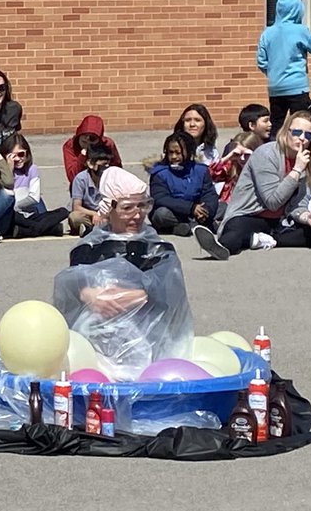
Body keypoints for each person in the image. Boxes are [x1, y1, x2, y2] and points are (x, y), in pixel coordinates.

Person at [55, 167, 193, 379]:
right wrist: (89, 295)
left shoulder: (158, 248)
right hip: (95, 340)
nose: (137, 215)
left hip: (147, 342)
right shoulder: (89, 247)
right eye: (127, 208)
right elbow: (74, 284)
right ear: (108, 208)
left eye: (143, 206)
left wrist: (131, 296)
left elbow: (168, 290)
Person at [194, 111, 311, 260]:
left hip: (281, 222)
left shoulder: (307, 160)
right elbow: (272, 202)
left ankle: (262, 240)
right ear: (286, 131)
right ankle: (222, 247)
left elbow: (299, 205)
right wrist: (296, 170)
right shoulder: (266, 154)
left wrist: (307, 217)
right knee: (236, 231)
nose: (302, 138)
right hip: (251, 215)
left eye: (308, 135)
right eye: (297, 132)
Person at [258, 0, 311, 134]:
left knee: (276, 125)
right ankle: (299, 153)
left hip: (275, 87)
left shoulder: (267, 33)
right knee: (302, 125)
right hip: (297, 87)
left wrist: (274, 72)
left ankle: (275, 152)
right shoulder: (300, 30)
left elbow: (261, 62)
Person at [148, 132, 218, 236]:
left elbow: (209, 193)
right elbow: (161, 198)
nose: (174, 156)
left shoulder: (201, 170)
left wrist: (206, 210)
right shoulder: (160, 173)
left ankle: (198, 223)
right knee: (161, 214)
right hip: (175, 213)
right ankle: (191, 226)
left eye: (178, 152)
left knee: (223, 207)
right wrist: (191, 208)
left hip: (197, 211)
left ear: (189, 152)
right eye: (170, 152)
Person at [2, 133, 68, 237]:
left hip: (29, 214)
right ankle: (48, 229)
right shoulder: (2, 172)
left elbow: (34, 197)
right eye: (13, 156)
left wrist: (17, 206)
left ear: (27, 153)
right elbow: (3, 197)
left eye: (21, 154)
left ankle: (27, 230)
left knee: (63, 212)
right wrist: (9, 170)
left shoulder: (32, 169)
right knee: (12, 216)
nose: (18, 159)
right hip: (12, 214)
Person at [209, 131, 262, 217]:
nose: (242, 158)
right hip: (227, 206)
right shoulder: (232, 167)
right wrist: (228, 157)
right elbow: (210, 174)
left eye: (246, 155)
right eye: (238, 154)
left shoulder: (261, 169)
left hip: (247, 208)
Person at [62, 115, 122, 185]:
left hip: (104, 183)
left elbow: (117, 168)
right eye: (84, 142)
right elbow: (72, 177)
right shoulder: (70, 146)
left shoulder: (108, 144)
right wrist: (83, 156)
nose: (88, 145)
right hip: (81, 185)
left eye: (92, 140)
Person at [67, 145, 112, 236]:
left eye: (108, 165)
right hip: (88, 214)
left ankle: (97, 228)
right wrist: (94, 214)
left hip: (105, 214)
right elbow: (76, 207)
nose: (105, 168)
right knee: (74, 217)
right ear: (90, 164)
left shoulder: (111, 177)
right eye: (102, 165)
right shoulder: (81, 179)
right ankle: (86, 227)